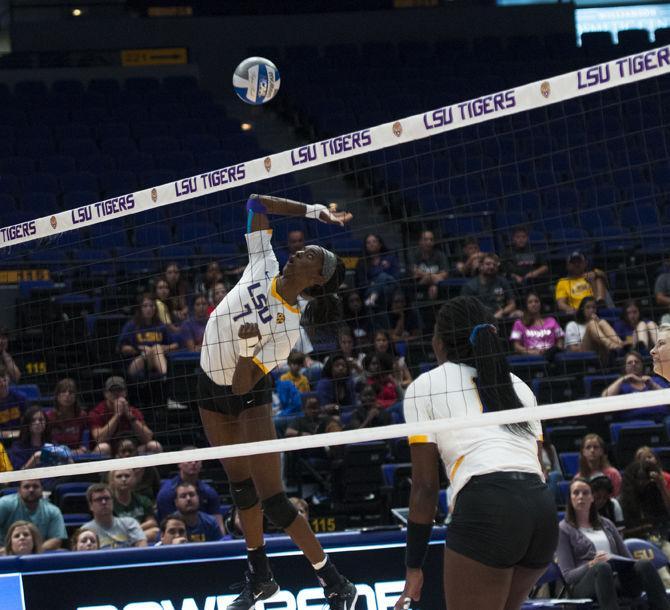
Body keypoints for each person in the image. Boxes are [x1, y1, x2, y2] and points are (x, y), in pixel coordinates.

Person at [198, 194, 357, 609]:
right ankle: (260, 578)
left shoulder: (287, 329)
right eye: (301, 249)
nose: (297, 252)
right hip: (206, 384)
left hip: (245, 392)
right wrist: (312, 210)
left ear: (317, 278)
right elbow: (255, 203)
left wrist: (249, 347)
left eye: (308, 255)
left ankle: (336, 582)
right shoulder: (264, 262)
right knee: (240, 490)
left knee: (272, 498)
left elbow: (242, 384)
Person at [395, 295, 556, 610]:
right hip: (541, 513)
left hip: (487, 510)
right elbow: (536, 465)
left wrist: (413, 565)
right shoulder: (520, 387)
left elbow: (426, 488)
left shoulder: (425, 385)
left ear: (440, 342)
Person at [557, 478, 669, 609]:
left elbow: (629, 560)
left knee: (643, 565)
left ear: (592, 498)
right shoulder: (563, 529)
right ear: (570, 498)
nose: (581, 497)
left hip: (615, 580)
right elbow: (569, 576)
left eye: (585, 493)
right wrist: (591, 564)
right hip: (583, 586)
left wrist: (615, 560)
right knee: (602, 567)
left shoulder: (606, 524)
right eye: (576, 493)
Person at [88, 376, 160, 457]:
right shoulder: (97, 412)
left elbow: (148, 437)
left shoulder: (133, 411)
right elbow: (99, 439)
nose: (116, 393)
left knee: (154, 445)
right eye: (112, 390)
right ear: (105, 393)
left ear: (125, 392)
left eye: (119, 390)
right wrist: (117, 415)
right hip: (111, 451)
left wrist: (130, 416)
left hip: (133, 450)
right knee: (102, 448)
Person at [155, 454, 223, 532]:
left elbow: (219, 526)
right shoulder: (166, 493)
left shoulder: (209, 492)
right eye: (189, 460)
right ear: (179, 463)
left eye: (197, 461)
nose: (193, 463)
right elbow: (165, 527)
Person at [117, 293, 179, 379]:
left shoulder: (161, 326)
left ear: (155, 308)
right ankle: (165, 377)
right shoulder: (131, 325)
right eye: (145, 306)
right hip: (136, 362)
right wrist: (139, 349)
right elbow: (122, 348)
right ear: (140, 308)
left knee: (156, 348)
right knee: (151, 351)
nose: (149, 309)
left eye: (152, 306)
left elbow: (175, 345)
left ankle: (164, 376)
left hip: (157, 360)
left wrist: (163, 348)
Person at [0, 479, 67, 551]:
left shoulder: (53, 511)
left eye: (35, 486)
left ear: (42, 489)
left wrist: (31, 551)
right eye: (26, 487)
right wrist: (9, 551)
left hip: (38, 555)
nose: (31, 490)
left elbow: (56, 540)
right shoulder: (4, 504)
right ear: (19, 490)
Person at [601, 351, 669, 419]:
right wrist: (622, 380)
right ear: (625, 367)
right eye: (629, 362)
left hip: (661, 421)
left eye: (637, 362)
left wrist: (653, 385)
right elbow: (605, 398)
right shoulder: (621, 385)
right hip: (631, 424)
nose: (633, 364)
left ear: (642, 365)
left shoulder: (655, 380)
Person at [82, 483, 147, 549]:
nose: (104, 502)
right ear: (91, 506)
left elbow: (142, 547)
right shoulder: (85, 530)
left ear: (112, 502)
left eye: (107, 498)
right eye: (99, 499)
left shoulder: (129, 523)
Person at [565, 296, 623, 364]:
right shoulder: (572, 325)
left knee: (602, 322)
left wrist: (598, 322)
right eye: (588, 307)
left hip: (602, 352)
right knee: (592, 323)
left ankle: (620, 343)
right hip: (583, 354)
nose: (591, 310)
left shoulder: (598, 323)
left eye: (594, 307)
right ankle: (611, 345)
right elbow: (572, 349)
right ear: (582, 309)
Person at [461, 253, 521, 319]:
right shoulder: (470, 286)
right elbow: (466, 309)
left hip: (500, 317)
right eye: (488, 264)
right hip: (480, 320)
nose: (492, 267)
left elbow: (512, 304)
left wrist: (502, 312)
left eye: (494, 265)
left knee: (519, 313)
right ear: (481, 266)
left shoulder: (502, 281)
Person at [108, 469, 159, 542]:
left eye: (127, 476)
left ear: (134, 479)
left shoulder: (143, 500)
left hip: (139, 533)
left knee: (155, 531)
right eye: (119, 476)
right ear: (112, 481)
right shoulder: (108, 503)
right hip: (117, 537)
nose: (124, 479)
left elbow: (152, 522)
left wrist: (134, 530)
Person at [510, 292, 564, 357]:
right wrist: (533, 352)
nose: (534, 304)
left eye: (536, 301)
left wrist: (553, 351)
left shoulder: (552, 321)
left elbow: (560, 341)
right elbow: (516, 347)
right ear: (526, 305)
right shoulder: (519, 323)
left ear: (540, 304)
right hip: (531, 360)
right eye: (530, 302)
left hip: (551, 358)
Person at [45, 378, 91, 455]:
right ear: (57, 396)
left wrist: (83, 448)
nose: (67, 395)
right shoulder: (48, 417)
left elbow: (86, 441)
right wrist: (68, 452)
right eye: (63, 391)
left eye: (71, 392)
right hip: (55, 455)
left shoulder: (82, 416)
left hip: (78, 456)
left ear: (75, 396)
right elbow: (46, 444)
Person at [355, 233, 400, 310]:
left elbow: (396, 276)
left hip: (390, 287)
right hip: (369, 289)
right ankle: (374, 297)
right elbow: (361, 282)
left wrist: (377, 281)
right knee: (383, 278)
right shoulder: (362, 262)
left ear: (380, 244)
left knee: (384, 277)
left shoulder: (390, 258)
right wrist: (371, 283)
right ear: (365, 246)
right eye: (368, 242)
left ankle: (373, 297)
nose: (371, 244)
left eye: (374, 241)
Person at [502, 226, 548, 291]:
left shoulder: (534, 251)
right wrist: (515, 276)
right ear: (513, 238)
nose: (521, 239)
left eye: (523, 237)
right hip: (514, 285)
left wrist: (535, 273)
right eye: (518, 237)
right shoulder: (507, 253)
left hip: (533, 283)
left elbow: (545, 267)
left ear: (527, 238)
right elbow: (504, 271)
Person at [409, 230, 448, 300]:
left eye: (431, 240)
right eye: (426, 239)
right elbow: (415, 271)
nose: (429, 242)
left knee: (434, 289)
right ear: (420, 242)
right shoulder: (414, 255)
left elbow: (444, 274)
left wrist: (427, 276)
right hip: (420, 287)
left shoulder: (440, 255)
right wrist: (433, 277)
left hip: (437, 286)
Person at [0, 363, 27, 430]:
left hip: (19, 437)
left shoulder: (20, 397)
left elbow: (26, 423)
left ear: (8, 378)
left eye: (3, 377)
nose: (2, 383)